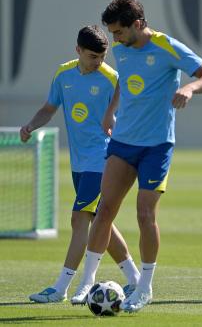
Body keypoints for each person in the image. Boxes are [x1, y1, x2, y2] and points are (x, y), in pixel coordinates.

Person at [73, 0, 202, 312]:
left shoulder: (168, 47)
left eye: (118, 32)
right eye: (112, 33)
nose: (114, 39)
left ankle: (144, 288)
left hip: (156, 146)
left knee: (145, 214)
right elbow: (124, 83)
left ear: (138, 24)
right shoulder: (122, 49)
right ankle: (87, 282)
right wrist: (110, 111)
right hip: (124, 142)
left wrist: (190, 89)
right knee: (105, 209)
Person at [21, 25, 140, 303]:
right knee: (102, 223)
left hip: (103, 160)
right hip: (79, 163)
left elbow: (127, 116)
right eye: (91, 56)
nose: (98, 62)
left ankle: (62, 288)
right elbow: (49, 108)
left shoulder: (113, 79)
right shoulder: (64, 75)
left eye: (101, 56)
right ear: (78, 51)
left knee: (79, 219)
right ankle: (134, 278)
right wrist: (31, 125)